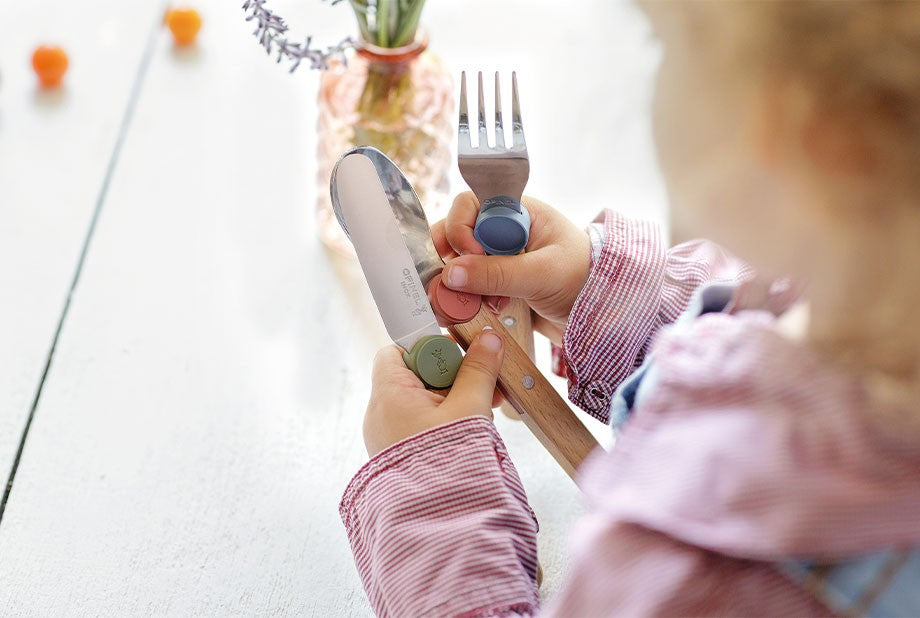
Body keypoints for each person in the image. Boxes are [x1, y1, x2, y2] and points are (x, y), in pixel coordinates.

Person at [339, 2, 920, 615]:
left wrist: (438, 497)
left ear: (790, 135)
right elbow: (746, 363)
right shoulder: (853, 313)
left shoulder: (692, 583)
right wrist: (610, 297)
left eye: (662, 43)